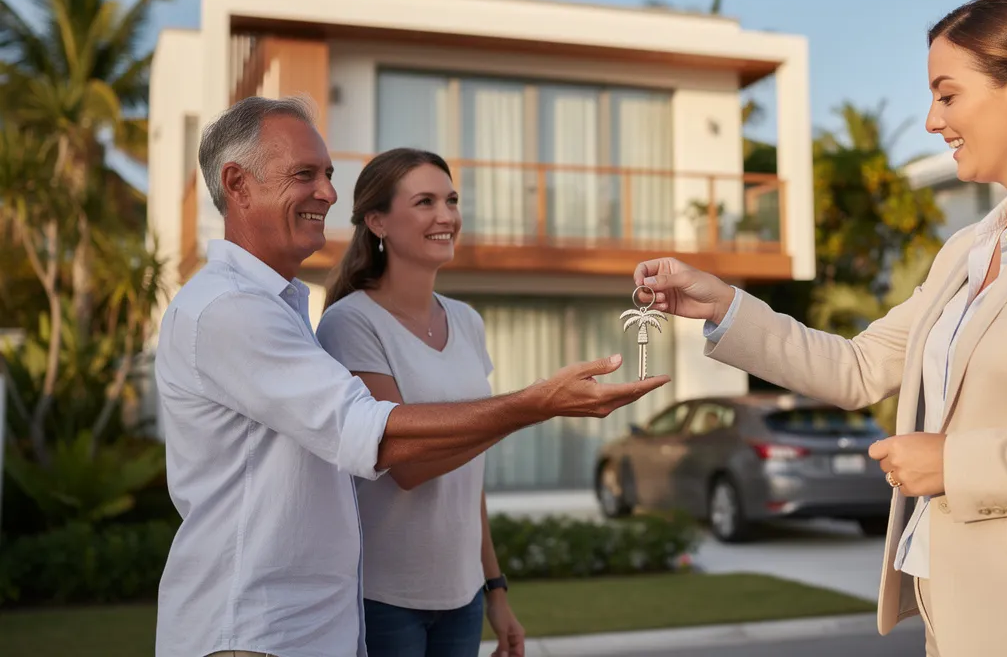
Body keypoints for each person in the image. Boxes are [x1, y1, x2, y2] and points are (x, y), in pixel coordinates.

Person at [634, 0, 1007, 656]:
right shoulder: (966, 251)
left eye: (948, 94)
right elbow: (856, 369)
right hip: (959, 620)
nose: (934, 121)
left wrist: (957, 463)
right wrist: (724, 304)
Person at [154, 96, 668, 657]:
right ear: (238, 184)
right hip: (255, 633)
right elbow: (376, 437)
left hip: (314, 625)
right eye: (306, 174)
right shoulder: (234, 310)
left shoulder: (281, 307)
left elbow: (456, 473)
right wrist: (535, 405)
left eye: (328, 174)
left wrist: (493, 585)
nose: (328, 192)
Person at [314, 148, 521, 657]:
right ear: (377, 221)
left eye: (451, 200)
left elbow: (469, 480)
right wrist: (526, 410)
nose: (446, 216)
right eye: (425, 202)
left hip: (464, 593)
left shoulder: (467, 321)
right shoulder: (351, 323)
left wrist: (494, 588)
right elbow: (407, 463)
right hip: (384, 596)